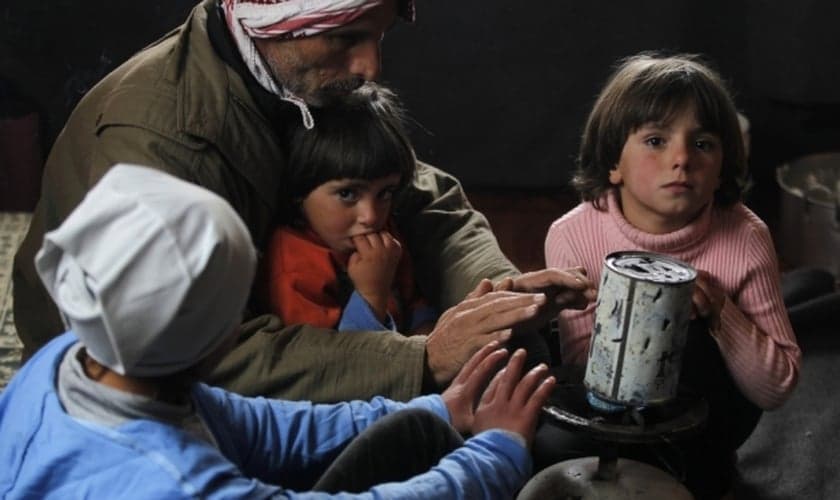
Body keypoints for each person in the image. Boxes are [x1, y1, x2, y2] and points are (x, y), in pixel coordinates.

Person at [12, 0, 596, 403]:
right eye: (347, 37)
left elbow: (425, 197)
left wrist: (492, 293)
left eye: (378, 36)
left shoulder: (284, 70)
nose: (372, 66)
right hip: (128, 377)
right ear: (277, 20)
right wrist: (419, 361)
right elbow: (194, 354)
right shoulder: (165, 138)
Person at [0, 164, 556, 499]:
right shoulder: (179, 484)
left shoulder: (69, 357)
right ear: (215, 333)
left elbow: (259, 426)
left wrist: (440, 410)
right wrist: (496, 453)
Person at [543, 53, 801, 498]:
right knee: (544, 436)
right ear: (613, 163)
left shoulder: (745, 235)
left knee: (692, 336)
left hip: (707, 416)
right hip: (608, 415)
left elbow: (776, 386)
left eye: (702, 144)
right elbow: (584, 373)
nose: (682, 158)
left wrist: (720, 312)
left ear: (722, 168)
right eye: (656, 140)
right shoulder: (574, 235)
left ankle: (694, 467)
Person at [262, 82, 435, 334]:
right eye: (347, 193)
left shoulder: (383, 234)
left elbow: (414, 303)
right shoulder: (293, 266)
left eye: (385, 193)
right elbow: (327, 364)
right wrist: (371, 294)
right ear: (300, 190)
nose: (371, 216)